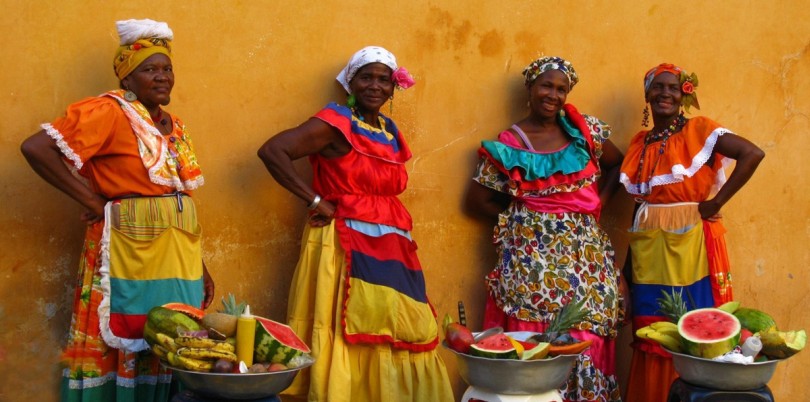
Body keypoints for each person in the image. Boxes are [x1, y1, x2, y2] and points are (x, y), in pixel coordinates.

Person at [20, 19, 214, 402]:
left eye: (167, 68)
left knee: (172, 332)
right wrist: (91, 200)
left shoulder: (173, 125)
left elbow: (176, 198)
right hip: (125, 249)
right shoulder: (109, 111)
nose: (162, 77)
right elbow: (36, 148)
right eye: (150, 69)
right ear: (127, 76)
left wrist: (200, 266)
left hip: (176, 258)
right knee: (122, 331)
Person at [257, 46, 454, 402]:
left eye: (383, 79)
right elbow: (274, 151)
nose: (375, 86)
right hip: (343, 242)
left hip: (392, 245)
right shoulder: (336, 122)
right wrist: (316, 200)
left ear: (394, 87)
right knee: (345, 325)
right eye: (366, 77)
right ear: (351, 82)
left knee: (400, 324)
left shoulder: (389, 130)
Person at [465, 56, 625, 401]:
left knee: (587, 334)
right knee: (534, 339)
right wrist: (525, 219)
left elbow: (618, 165)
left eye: (561, 89)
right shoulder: (511, 141)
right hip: (530, 262)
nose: (552, 95)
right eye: (546, 86)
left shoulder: (586, 132)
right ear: (530, 88)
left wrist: (599, 202)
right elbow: (476, 200)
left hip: (586, 259)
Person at [619, 63, 765, 402]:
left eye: (673, 87)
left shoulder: (699, 130)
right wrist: (626, 271)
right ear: (647, 95)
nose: (665, 93)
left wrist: (715, 203)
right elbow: (639, 206)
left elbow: (752, 154)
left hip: (691, 240)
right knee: (652, 328)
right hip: (648, 247)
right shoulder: (640, 142)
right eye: (658, 87)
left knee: (692, 325)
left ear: (685, 93)